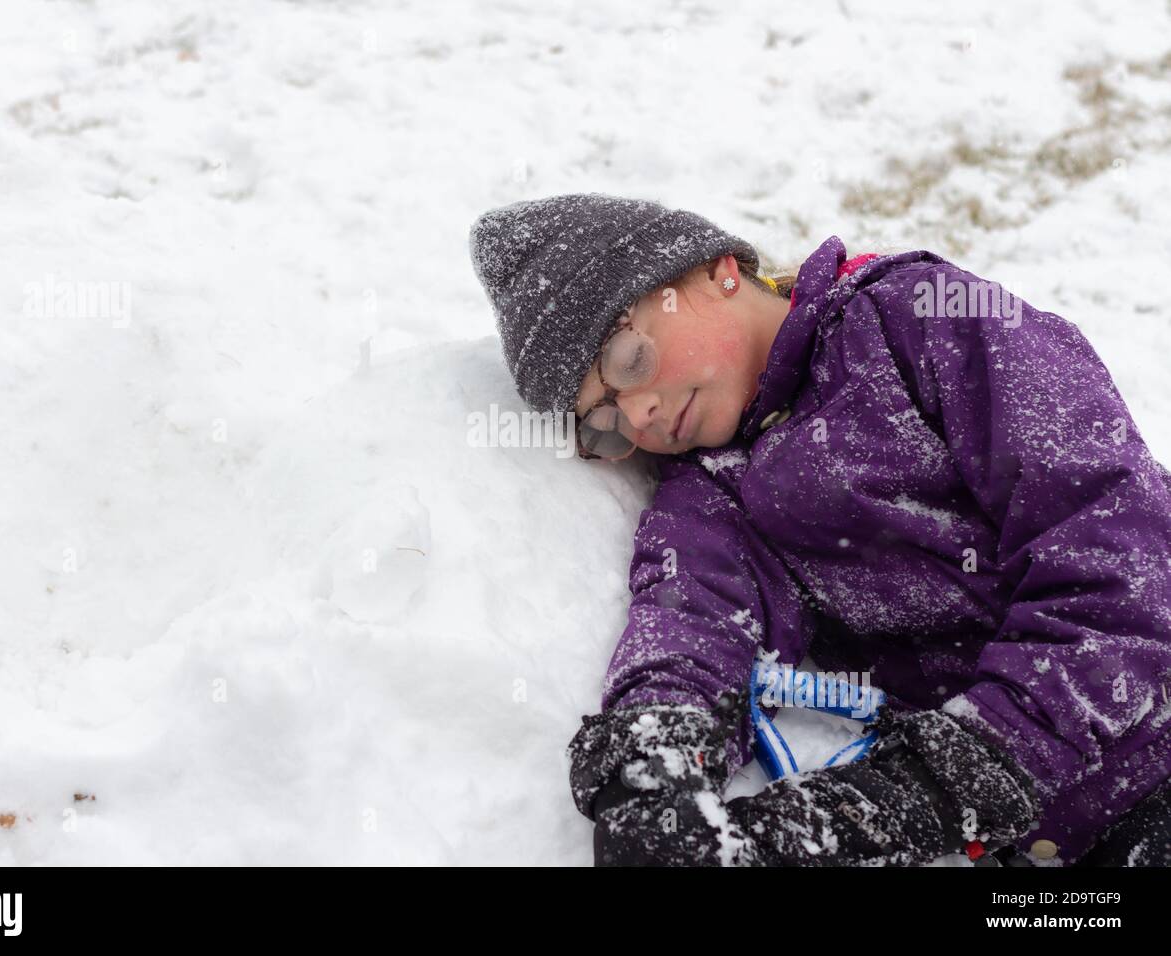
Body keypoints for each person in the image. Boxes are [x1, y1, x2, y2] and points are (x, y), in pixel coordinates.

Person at [468, 193, 1171, 867]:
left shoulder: (920, 322)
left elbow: (1122, 561)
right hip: (1054, 835)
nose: (641, 414)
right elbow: (690, 622)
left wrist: (945, 778)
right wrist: (651, 772)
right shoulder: (712, 488)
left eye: (629, 361)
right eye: (606, 421)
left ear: (718, 271)